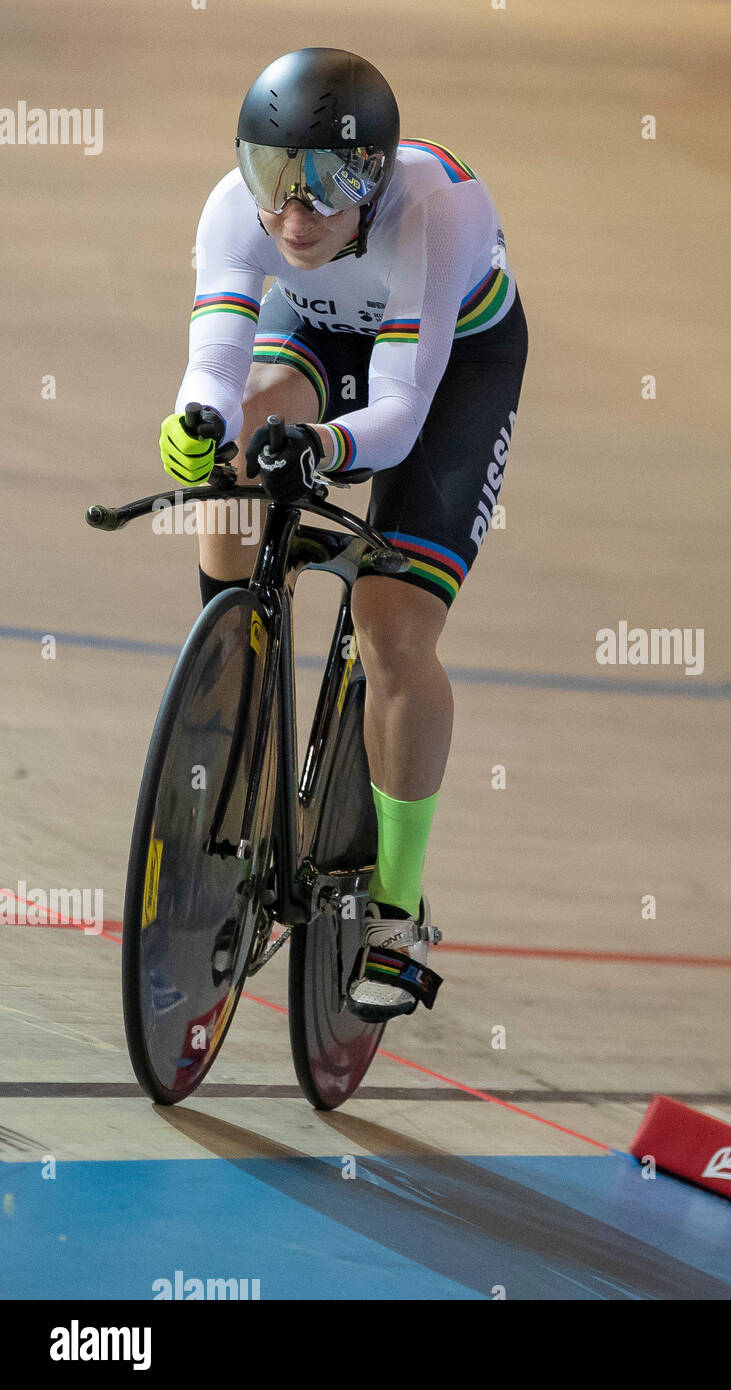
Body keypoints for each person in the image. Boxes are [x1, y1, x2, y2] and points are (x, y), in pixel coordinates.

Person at [158, 48, 527, 1020]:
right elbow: (215, 360)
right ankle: (236, 669)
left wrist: (322, 441)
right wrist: (197, 421)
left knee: (392, 624)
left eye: (324, 188)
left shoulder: (438, 211)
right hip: (321, 333)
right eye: (277, 180)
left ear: (373, 177)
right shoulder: (238, 208)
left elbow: (402, 409)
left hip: (452, 368)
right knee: (237, 443)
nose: (293, 214)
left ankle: (397, 914)